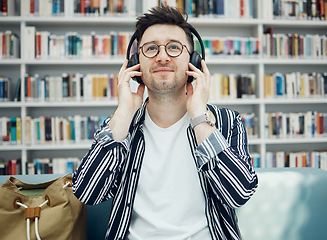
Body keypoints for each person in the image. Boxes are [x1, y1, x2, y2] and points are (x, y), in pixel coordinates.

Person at [73, 5, 258, 240]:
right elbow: (88, 193)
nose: (162, 56)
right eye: (150, 48)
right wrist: (124, 110)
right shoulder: (120, 126)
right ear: (134, 63)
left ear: (194, 61)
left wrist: (199, 116)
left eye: (173, 47)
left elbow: (239, 194)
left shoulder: (226, 122)